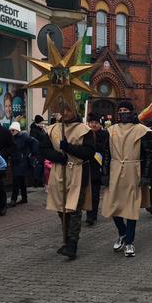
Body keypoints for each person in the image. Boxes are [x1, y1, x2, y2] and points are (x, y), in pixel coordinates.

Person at [39, 105, 95, 260]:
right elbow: (43, 149)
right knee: (61, 208)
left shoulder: (84, 130)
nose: (65, 113)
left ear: (74, 111)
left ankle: (72, 243)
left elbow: (89, 153)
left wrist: (68, 148)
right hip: (59, 172)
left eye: (68, 110)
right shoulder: (52, 129)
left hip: (78, 172)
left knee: (74, 209)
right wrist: (58, 157)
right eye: (62, 110)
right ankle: (67, 238)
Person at [101, 101, 152, 257]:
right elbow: (106, 154)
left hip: (133, 171)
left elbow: (149, 155)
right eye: (120, 110)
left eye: (126, 110)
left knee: (131, 208)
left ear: (132, 112)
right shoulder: (111, 131)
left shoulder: (142, 131)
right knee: (113, 205)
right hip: (115, 169)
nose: (123, 113)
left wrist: (146, 175)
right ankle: (122, 233)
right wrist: (104, 173)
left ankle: (129, 242)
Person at [86, 112, 108, 226]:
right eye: (91, 123)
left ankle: (92, 216)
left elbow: (105, 150)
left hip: (97, 168)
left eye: (95, 123)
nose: (93, 125)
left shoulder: (104, 135)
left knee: (94, 194)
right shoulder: (85, 134)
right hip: (86, 167)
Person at [8, 121, 38, 206]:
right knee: (21, 181)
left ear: (17, 130)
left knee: (16, 180)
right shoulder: (12, 137)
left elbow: (35, 142)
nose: (11, 132)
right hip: (15, 161)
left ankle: (13, 200)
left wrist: (32, 153)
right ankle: (24, 198)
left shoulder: (24, 136)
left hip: (21, 162)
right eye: (10, 130)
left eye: (13, 130)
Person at [29, 115, 46, 187]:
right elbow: (34, 141)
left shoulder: (40, 129)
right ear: (37, 123)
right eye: (41, 123)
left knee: (41, 166)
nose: (43, 124)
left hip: (42, 151)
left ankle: (40, 182)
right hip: (37, 151)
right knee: (38, 166)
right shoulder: (34, 130)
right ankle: (36, 182)